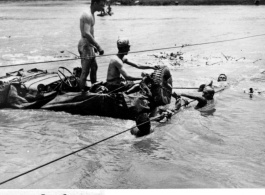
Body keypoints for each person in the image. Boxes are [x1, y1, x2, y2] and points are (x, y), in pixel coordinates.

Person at [78, 0, 105, 92]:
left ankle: (94, 89)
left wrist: (93, 46)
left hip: (89, 45)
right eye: (101, 5)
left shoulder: (92, 14)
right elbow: (86, 33)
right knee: (85, 71)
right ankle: (81, 93)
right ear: (95, 3)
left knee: (94, 68)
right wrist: (98, 46)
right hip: (85, 44)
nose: (103, 7)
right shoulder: (87, 14)